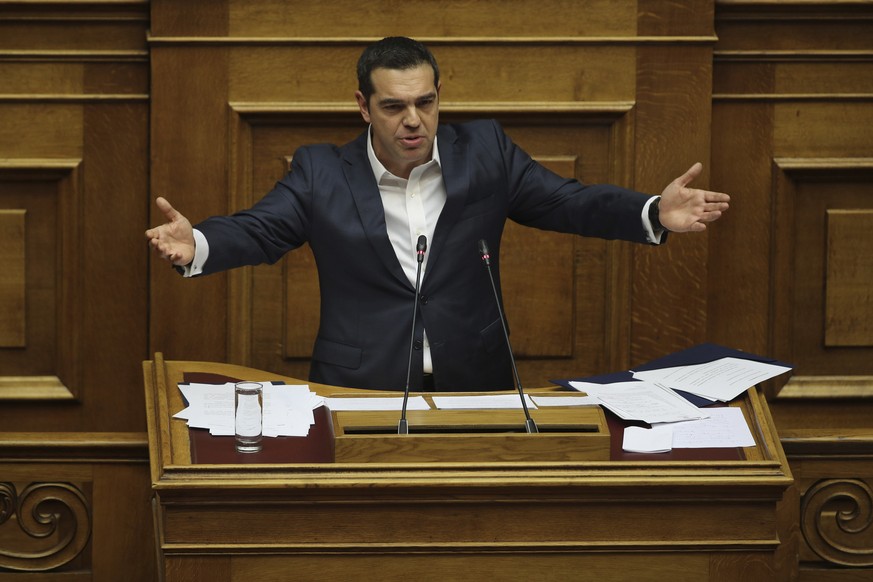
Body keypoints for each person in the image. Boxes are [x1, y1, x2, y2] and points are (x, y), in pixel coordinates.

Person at [146, 36, 729, 392]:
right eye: (394, 106)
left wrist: (652, 211)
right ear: (363, 107)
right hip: (359, 388)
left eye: (426, 103)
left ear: (439, 97)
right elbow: (262, 228)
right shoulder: (321, 171)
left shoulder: (487, 152)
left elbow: (567, 201)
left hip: (475, 381)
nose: (413, 121)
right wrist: (198, 243)